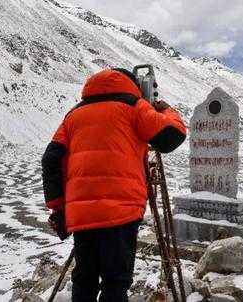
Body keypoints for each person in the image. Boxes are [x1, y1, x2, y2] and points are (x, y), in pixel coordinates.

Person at [41, 68, 186, 301]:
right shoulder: (134, 106)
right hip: (121, 212)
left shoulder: (73, 114)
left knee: (84, 278)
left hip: (82, 214)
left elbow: (51, 158)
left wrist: (58, 208)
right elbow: (172, 137)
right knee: (115, 282)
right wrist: (165, 110)